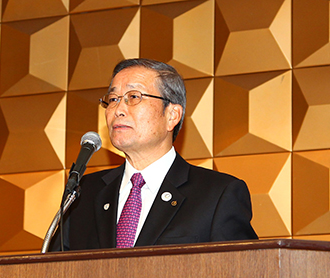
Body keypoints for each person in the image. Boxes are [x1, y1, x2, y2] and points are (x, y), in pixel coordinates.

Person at [51, 58, 257, 251]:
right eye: (113, 99)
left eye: (133, 97)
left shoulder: (218, 194)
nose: (118, 109)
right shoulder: (83, 193)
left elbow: (240, 277)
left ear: (172, 115)